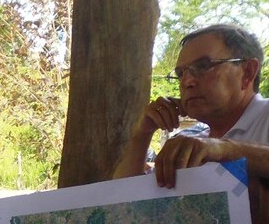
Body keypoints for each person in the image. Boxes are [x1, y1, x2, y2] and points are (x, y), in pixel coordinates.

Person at [113, 23, 269, 187]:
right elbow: (120, 199)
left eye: (203, 66)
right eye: (181, 73)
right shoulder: (191, 139)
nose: (187, 81)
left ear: (248, 72)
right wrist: (142, 134)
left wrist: (223, 150)